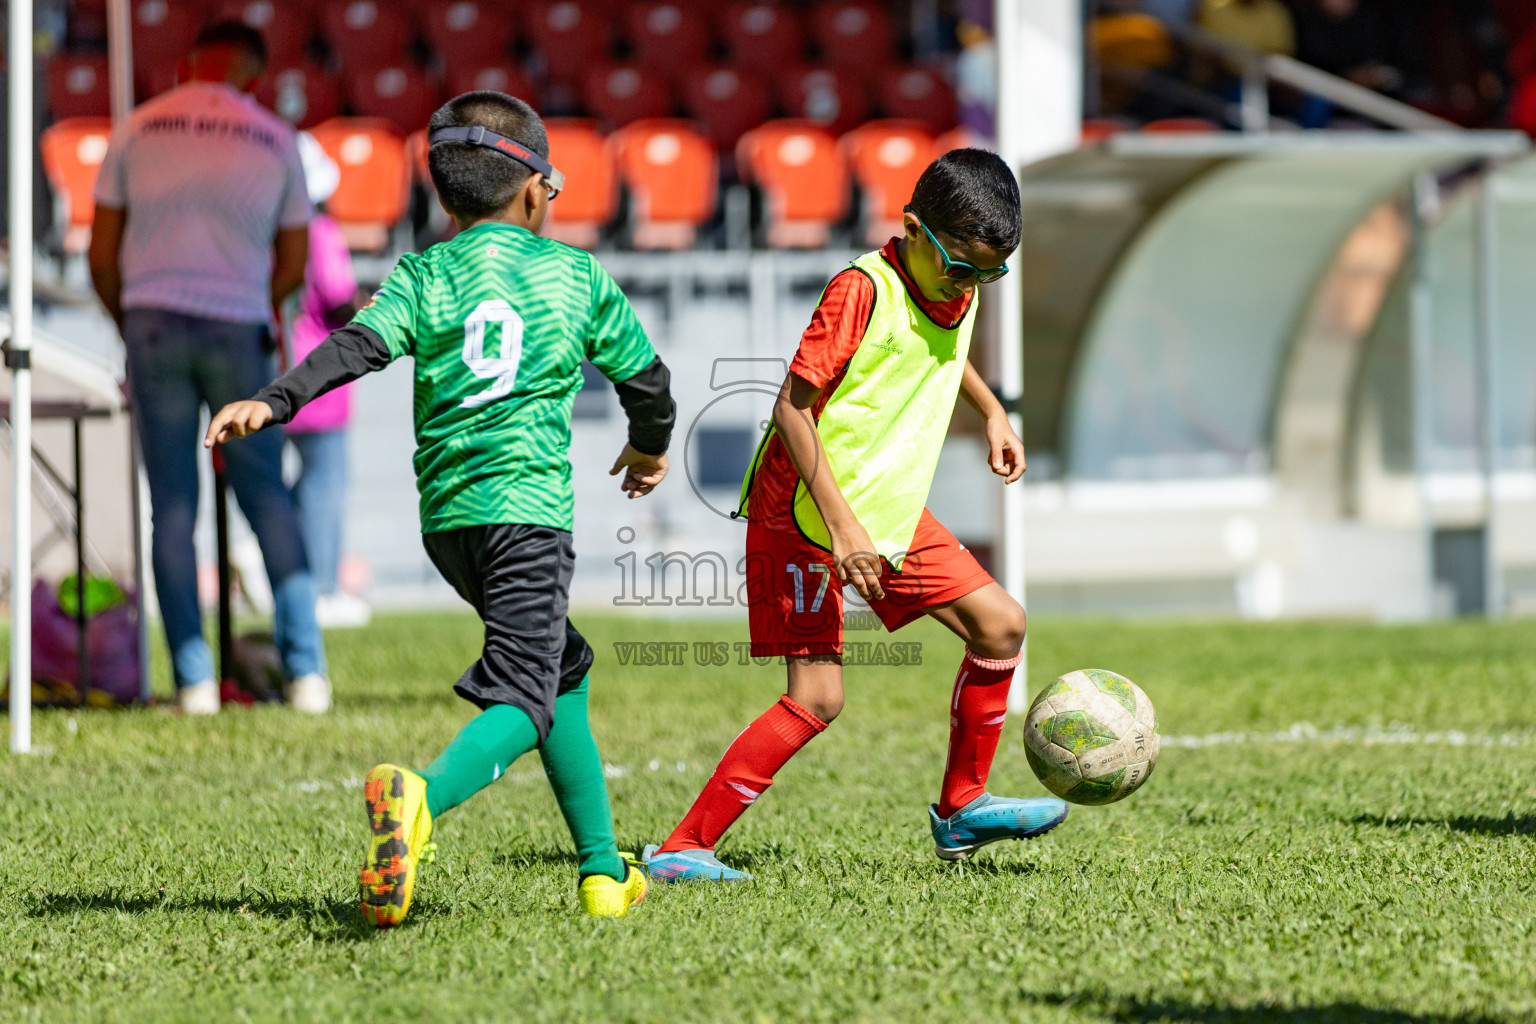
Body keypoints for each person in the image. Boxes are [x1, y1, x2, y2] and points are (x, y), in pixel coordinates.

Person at [204, 91, 675, 920]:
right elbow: (647, 379)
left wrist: (274, 402)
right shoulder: (572, 274)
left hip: (449, 522)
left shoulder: (424, 273)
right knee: (525, 694)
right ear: (534, 191)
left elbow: (355, 344)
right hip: (527, 512)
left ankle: (605, 874)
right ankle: (420, 797)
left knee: (559, 668)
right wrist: (648, 444)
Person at [642, 150, 1066, 883]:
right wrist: (843, 528)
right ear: (910, 229)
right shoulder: (858, 291)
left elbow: (938, 343)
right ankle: (683, 849)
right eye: (963, 270)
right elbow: (792, 408)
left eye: (990, 275)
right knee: (819, 695)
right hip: (803, 514)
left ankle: (960, 810)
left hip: (887, 507)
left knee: (1001, 624)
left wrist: (994, 411)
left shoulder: (955, 282)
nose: (973, 287)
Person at [88, 21, 330, 715]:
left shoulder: (138, 127)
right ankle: (305, 671)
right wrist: (258, 303)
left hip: (154, 322)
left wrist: (127, 321)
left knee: (172, 507)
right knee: (267, 496)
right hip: (237, 326)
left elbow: (102, 254)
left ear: (188, 66)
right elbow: (293, 261)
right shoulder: (275, 137)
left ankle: (194, 681)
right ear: (252, 76)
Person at [286, 132, 371, 628]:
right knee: (325, 486)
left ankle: (289, 575)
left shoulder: (270, 230)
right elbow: (341, 299)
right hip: (322, 374)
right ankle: (320, 586)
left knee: (293, 489)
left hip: (279, 368)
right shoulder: (320, 231)